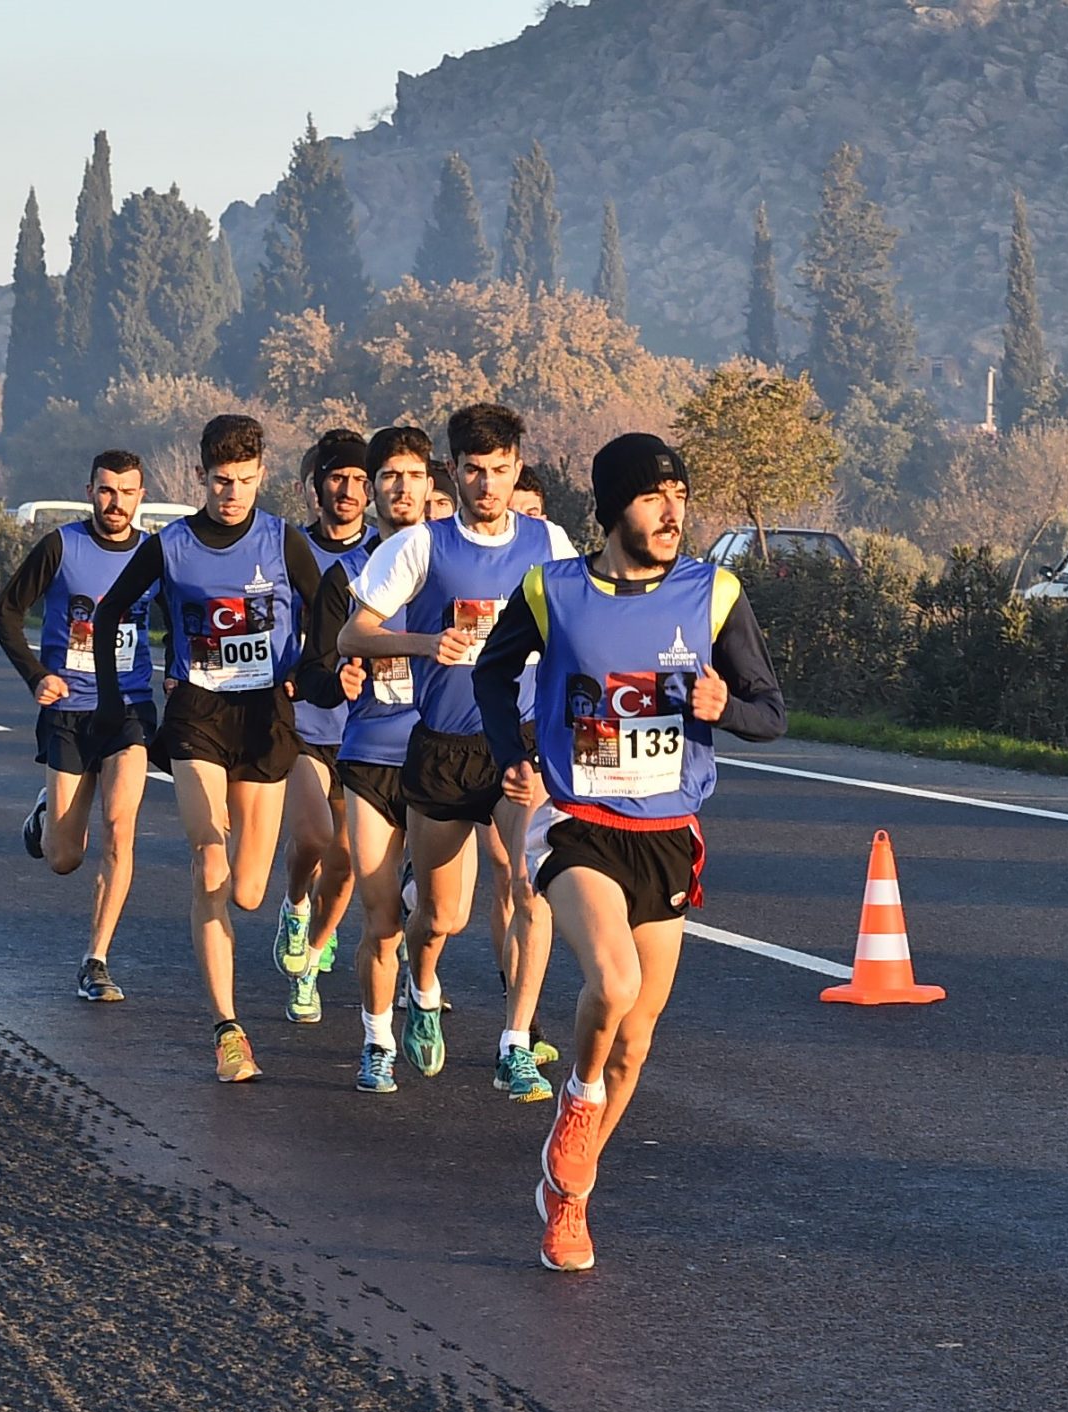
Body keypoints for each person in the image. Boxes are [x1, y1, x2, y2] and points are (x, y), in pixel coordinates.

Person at [476, 432, 786, 1273]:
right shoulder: (553, 589)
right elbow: (491, 673)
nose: (673, 509)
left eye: (681, 493)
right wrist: (512, 752)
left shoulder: (714, 592)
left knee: (638, 1038)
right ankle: (576, 1101)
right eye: (654, 495)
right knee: (612, 983)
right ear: (614, 508)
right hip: (574, 817)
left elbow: (771, 709)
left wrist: (726, 705)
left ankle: (568, 1195)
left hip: (666, 833)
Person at [341, 402, 578, 1103]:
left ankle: (514, 1044)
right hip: (442, 747)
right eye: (473, 470)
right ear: (453, 469)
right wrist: (424, 644)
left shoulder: (548, 542)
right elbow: (355, 635)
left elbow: (580, 623)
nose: (487, 484)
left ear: (516, 467)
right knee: (439, 915)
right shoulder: (419, 546)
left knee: (531, 885)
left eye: (500, 470)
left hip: (520, 745)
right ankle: (417, 987)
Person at [88, 414, 327, 1082]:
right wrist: (111, 699)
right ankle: (228, 1028)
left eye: (245, 481)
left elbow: (328, 602)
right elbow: (108, 613)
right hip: (197, 711)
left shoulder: (281, 540)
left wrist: (314, 667)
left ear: (261, 475)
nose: (233, 493)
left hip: (264, 716)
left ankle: (288, 905)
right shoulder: (172, 546)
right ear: (200, 476)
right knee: (209, 859)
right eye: (221, 481)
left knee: (249, 889)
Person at [0, 449, 159, 1004]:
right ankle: (46, 816)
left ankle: (96, 959)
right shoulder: (64, 545)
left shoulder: (155, 553)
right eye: (107, 491)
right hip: (67, 709)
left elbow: (183, 621)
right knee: (65, 857)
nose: (117, 503)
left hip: (128, 708)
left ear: (141, 496)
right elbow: (7, 611)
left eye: (127, 492)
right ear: (90, 491)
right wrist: (36, 675)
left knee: (120, 826)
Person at [307, 425, 431, 1091]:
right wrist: (342, 681)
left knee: (442, 915)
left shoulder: (453, 563)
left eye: (413, 475)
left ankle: (429, 987)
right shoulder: (345, 577)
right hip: (370, 753)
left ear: (431, 485)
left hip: (443, 754)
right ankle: (377, 1038)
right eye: (388, 476)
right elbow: (321, 668)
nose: (399, 488)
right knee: (380, 915)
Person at [275, 430, 377, 1026]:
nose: (349, 490)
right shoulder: (289, 549)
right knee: (313, 835)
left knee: (345, 857)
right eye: (337, 478)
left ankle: (310, 962)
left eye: (360, 480)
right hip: (300, 716)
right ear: (315, 488)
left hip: (363, 725)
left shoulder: (384, 555)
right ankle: (293, 906)